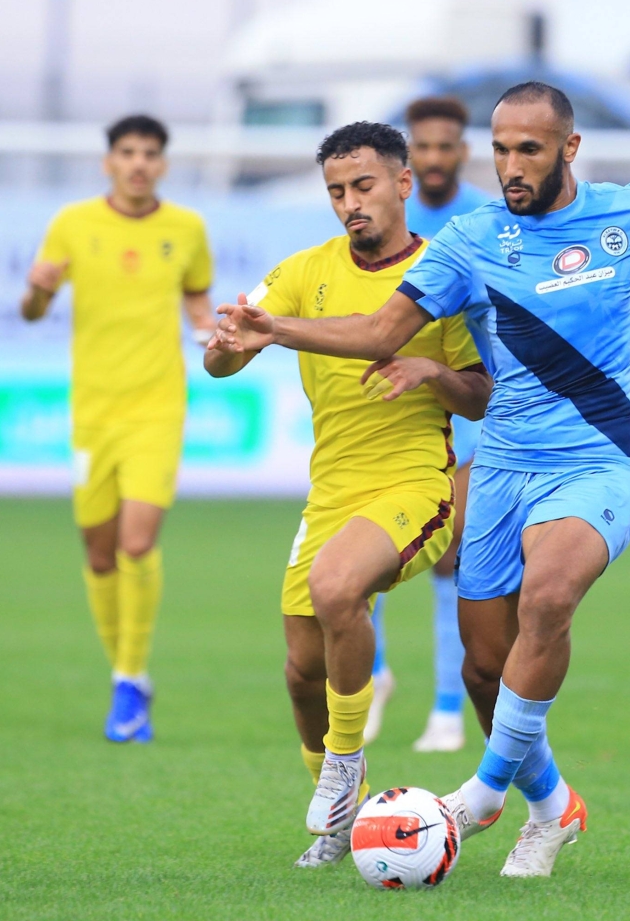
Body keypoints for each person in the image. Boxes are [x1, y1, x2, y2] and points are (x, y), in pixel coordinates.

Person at [211, 82, 630, 878]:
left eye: (528, 150)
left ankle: (476, 795)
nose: (511, 165)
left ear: (569, 149)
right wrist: (275, 329)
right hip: (503, 466)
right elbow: (377, 331)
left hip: (598, 459)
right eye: (501, 149)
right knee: (484, 667)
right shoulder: (470, 239)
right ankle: (552, 806)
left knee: (548, 595)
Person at [204, 121, 490, 868]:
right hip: (329, 494)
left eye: (363, 185)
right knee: (302, 672)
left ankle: (344, 759)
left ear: (402, 183)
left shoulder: (442, 273)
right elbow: (224, 357)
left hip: (413, 485)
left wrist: (434, 372)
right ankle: (343, 815)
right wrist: (227, 347)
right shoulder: (304, 270)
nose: (349, 203)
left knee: (337, 587)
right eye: (336, 191)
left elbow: (483, 394)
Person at [21, 114, 216, 743]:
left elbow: (197, 301)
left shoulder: (186, 228)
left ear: (163, 164)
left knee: (136, 543)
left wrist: (212, 332)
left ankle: (130, 678)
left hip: (157, 407)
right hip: (93, 413)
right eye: (128, 152)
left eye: (150, 153)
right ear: (109, 162)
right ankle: (125, 675)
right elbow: (33, 310)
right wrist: (37, 292)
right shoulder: (73, 223)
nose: (139, 163)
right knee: (100, 554)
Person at [366, 96, 492, 753]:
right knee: (365, 553)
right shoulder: (388, 220)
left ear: (463, 151)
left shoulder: (488, 219)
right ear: (407, 158)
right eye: (425, 147)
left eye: (447, 146)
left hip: (464, 404)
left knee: (449, 556)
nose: (436, 157)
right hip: (396, 409)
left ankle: (446, 709)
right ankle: (374, 673)